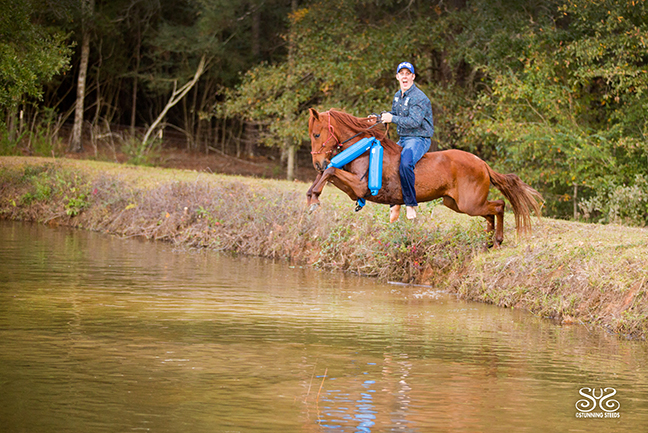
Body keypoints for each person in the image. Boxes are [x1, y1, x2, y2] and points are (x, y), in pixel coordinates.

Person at [379, 61, 434, 220]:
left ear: (413, 77)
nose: (404, 76)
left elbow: (414, 122)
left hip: (419, 138)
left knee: (405, 163)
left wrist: (393, 118)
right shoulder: (398, 96)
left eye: (407, 74)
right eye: (401, 74)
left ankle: (410, 205)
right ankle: (395, 204)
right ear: (397, 77)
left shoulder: (419, 97)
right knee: (388, 163)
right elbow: (395, 114)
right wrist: (381, 117)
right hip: (403, 138)